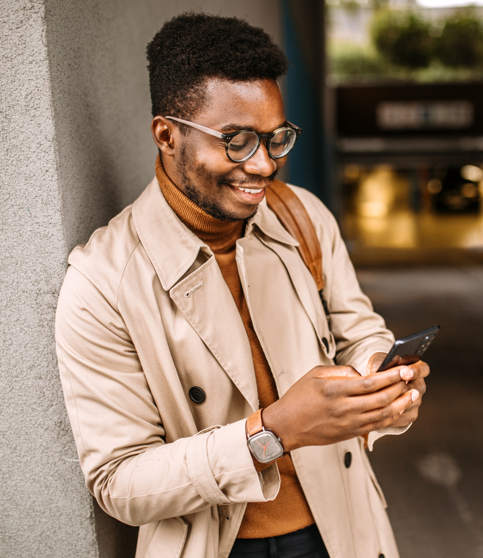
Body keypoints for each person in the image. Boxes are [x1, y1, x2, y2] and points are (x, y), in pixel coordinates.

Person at [55, 12, 429, 558]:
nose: (263, 165)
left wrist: (379, 381)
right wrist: (271, 433)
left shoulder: (303, 216)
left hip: (342, 530)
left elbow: (359, 330)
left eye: (276, 138)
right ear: (167, 135)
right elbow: (119, 482)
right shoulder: (103, 282)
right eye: (236, 141)